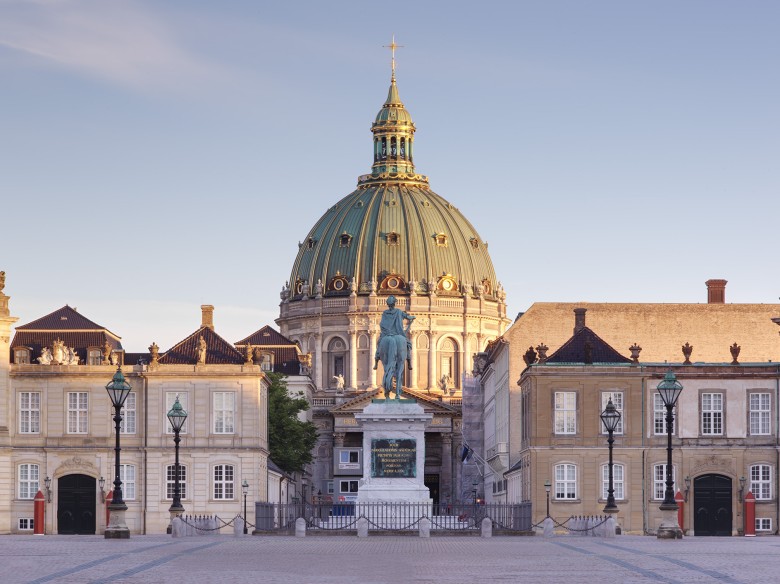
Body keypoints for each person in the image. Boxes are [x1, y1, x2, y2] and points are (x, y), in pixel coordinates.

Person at [373, 295, 414, 371]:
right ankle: (409, 360)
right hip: (398, 333)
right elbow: (407, 317)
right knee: (407, 344)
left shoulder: (385, 313)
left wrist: (386, 330)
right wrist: (412, 317)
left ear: (388, 304)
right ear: (394, 303)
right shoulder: (398, 311)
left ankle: (376, 360)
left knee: (379, 344)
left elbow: (382, 324)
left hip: (387, 333)